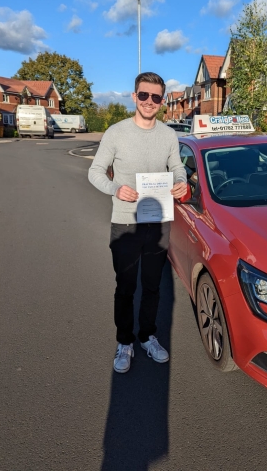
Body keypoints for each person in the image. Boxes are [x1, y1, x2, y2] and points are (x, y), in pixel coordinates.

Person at [88, 72, 187, 373]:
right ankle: (124, 342)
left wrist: (181, 182)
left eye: (156, 97)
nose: (149, 102)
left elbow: (177, 168)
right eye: (143, 95)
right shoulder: (116, 133)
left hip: (157, 222)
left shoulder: (169, 135)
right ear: (134, 97)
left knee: (153, 286)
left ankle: (147, 336)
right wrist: (115, 188)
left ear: (162, 101)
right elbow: (95, 172)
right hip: (125, 224)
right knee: (126, 286)